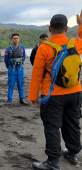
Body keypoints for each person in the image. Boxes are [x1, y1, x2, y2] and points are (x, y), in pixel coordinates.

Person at [29, 12, 82, 170]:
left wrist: (33, 96)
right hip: (75, 92)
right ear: (66, 28)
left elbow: (37, 74)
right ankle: (72, 153)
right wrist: (80, 25)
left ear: (49, 28)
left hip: (52, 95)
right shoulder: (76, 43)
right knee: (72, 123)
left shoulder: (44, 48)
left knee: (52, 126)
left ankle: (53, 161)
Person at [4, 34, 28, 105]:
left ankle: (21, 99)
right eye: (14, 38)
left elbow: (23, 57)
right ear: (12, 40)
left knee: (20, 84)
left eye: (17, 38)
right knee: (11, 85)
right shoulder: (8, 49)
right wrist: (9, 67)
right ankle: (9, 100)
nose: (16, 40)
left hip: (20, 69)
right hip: (12, 69)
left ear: (19, 39)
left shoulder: (22, 48)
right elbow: (6, 60)